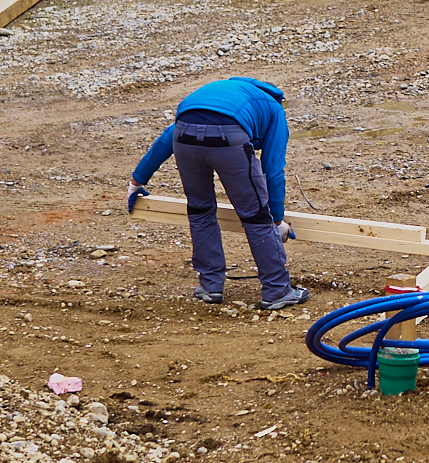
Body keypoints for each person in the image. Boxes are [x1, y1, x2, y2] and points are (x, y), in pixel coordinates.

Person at [128, 77, 309, 309]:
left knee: (199, 210)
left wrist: (136, 181)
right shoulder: (274, 108)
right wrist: (276, 218)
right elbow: (272, 168)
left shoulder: (222, 94)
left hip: (184, 135)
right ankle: (277, 290)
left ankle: (210, 286)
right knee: (255, 216)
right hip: (229, 139)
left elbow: (166, 140)